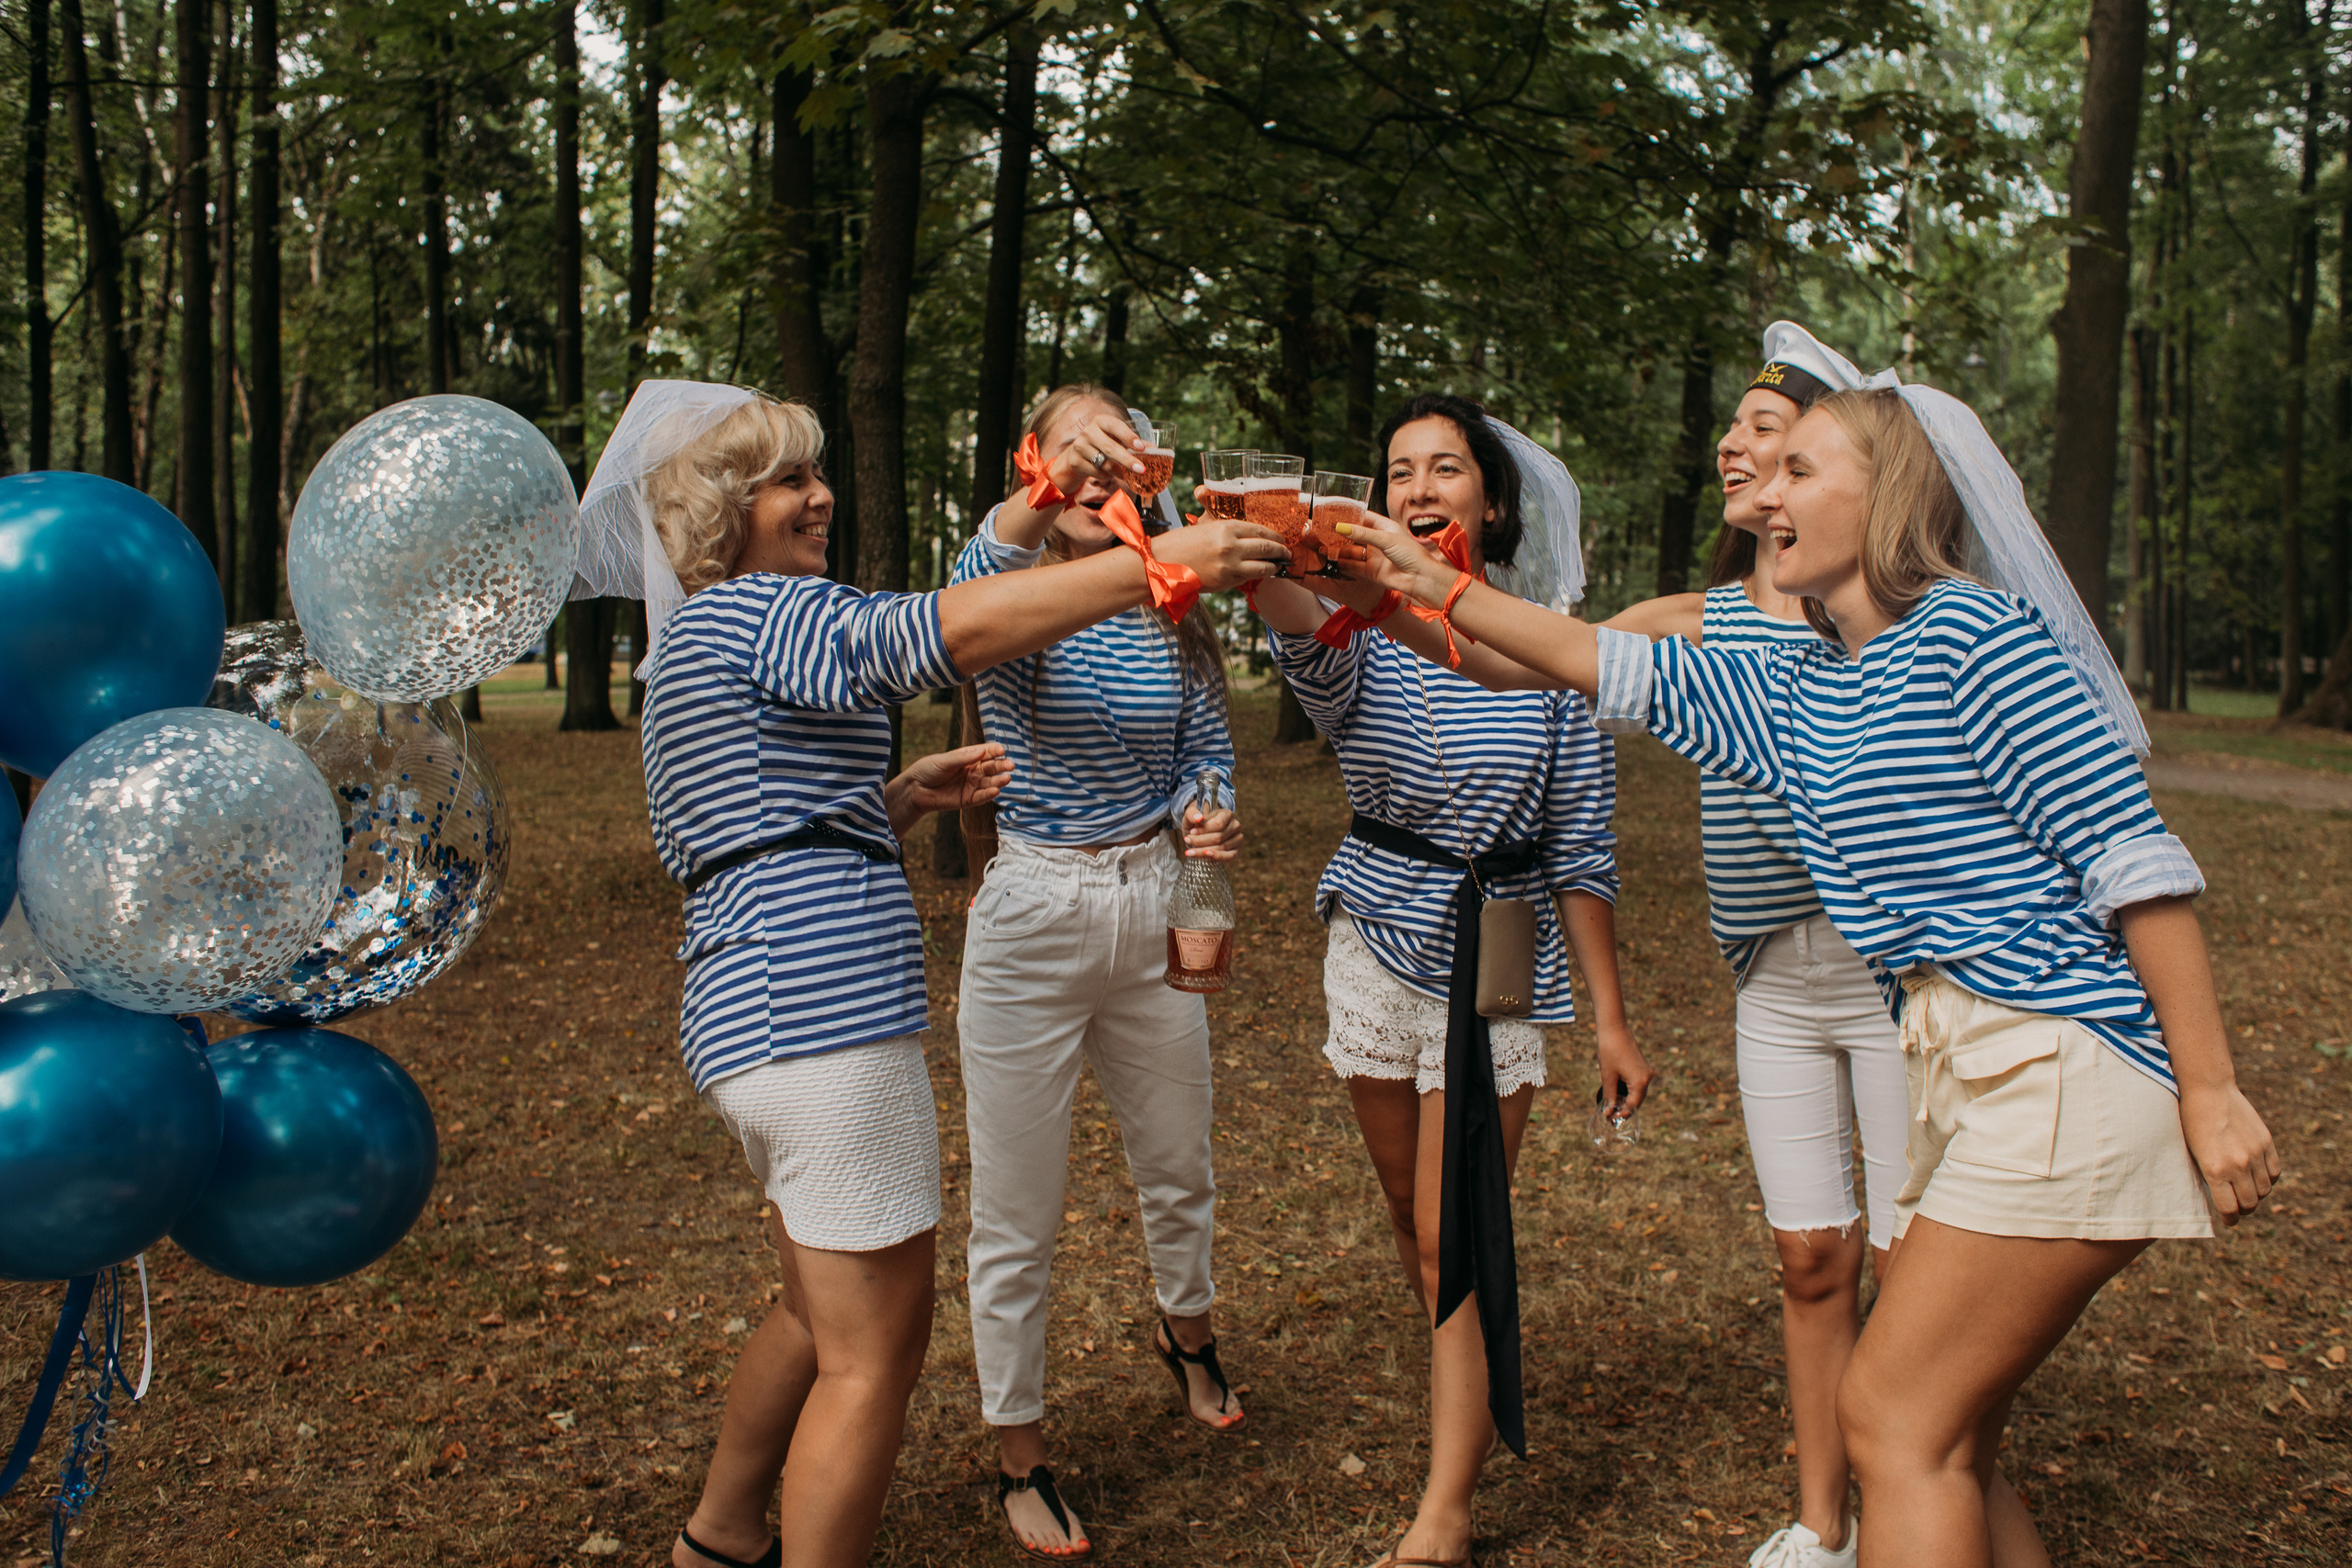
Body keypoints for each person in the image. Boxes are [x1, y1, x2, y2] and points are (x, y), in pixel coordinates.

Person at [1338, 381, 2279, 1568]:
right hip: (1964, 1068)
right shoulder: (1800, 683)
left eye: (1801, 471)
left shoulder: (1977, 637)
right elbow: (1587, 657)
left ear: (1888, 497)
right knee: (1948, 1434)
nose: (1763, 491)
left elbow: (2132, 857)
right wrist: (1429, 586)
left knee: (1892, 1414)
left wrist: (2210, 1082)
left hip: (2060, 1059)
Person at [570, 381, 1284, 1568]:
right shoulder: (764, 610)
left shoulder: (694, 638)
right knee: (871, 1357)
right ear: (721, 510)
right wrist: (1174, 560)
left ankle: (721, 1531)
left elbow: (731, 824)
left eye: (814, 471)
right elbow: (924, 635)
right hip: (824, 1021)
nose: (819, 495)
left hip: (747, 1012)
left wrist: (893, 799)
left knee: (813, 1315)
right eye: (790, 480)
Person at [1245, 393, 1652, 1568]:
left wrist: (1612, 1025)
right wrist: (1256, 534)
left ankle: (1445, 1516)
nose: (1422, 488)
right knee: (1417, 1229)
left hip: (1498, 948)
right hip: (1376, 934)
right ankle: (1452, 1363)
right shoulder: (1354, 627)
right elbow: (1276, 604)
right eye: (1400, 471)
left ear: (1489, 494)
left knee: (1455, 1228)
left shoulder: (1544, 636)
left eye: (1447, 469)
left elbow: (1582, 843)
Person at [1603, 323, 1897, 1568]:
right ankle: (1823, 1520)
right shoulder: (1697, 618)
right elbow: (1543, 657)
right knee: (1809, 1253)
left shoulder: (1881, 616)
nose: (1733, 444)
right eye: (1731, 428)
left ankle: (1914, 1491)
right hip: (1774, 980)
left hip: (1897, 981)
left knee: (1912, 1258)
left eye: (1765, 429)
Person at [950, 386, 1248, 1562]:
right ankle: (1019, 1449)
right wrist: (1046, 485)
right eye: (1076, 443)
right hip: (1031, 911)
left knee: (1180, 1162)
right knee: (1016, 1213)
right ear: (1039, 460)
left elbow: (1204, 745)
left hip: (1151, 903)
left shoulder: (1164, 599)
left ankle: (1188, 1334)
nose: (1099, 462)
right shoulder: (1012, 591)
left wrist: (1207, 814)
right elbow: (979, 564)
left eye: (1118, 443)